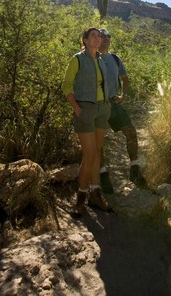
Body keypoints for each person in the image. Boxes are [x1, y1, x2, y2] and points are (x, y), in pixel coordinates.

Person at [62, 27, 112, 216]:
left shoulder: (101, 60)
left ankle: (96, 193)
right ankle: (81, 197)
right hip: (85, 109)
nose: (98, 39)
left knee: (97, 151)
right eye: (93, 36)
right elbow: (66, 85)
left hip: (102, 108)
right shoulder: (77, 59)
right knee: (89, 154)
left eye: (99, 36)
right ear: (84, 39)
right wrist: (77, 108)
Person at [98, 28, 147, 193]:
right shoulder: (91, 57)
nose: (105, 38)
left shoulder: (115, 59)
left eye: (108, 36)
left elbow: (125, 79)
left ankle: (134, 169)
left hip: (113, 103)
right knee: (98, 141)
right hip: (97, 105)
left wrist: (124, 94)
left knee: (131, 132)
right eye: (102, 36)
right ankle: (103, 175)